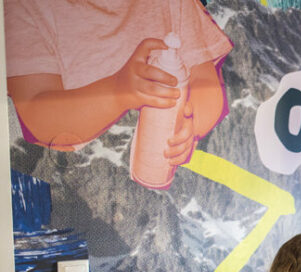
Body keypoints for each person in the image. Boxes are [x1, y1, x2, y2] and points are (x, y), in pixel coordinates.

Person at [4, 0, 231, 183]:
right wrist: (116, 93)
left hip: (157, 178)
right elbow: (38, 116)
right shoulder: (24, 8)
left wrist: (192, 122)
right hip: (78, 188)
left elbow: (205, 81)